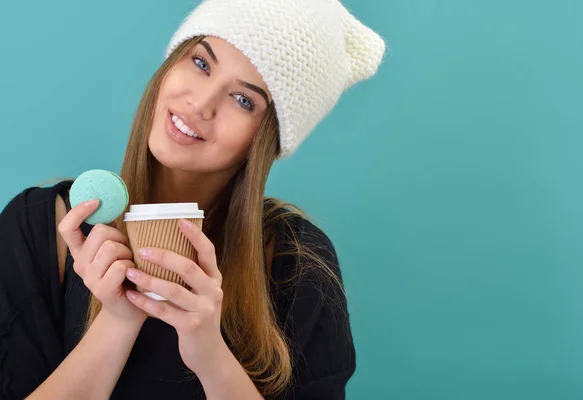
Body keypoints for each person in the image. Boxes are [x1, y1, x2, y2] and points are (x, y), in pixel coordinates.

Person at [0, 0, 385, 398]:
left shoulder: (295, 263)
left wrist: (210, 353)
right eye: (201, 63)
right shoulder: (38, 228)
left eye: (244, 100)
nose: (200, 104)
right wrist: (117, 320)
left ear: (265, 141)